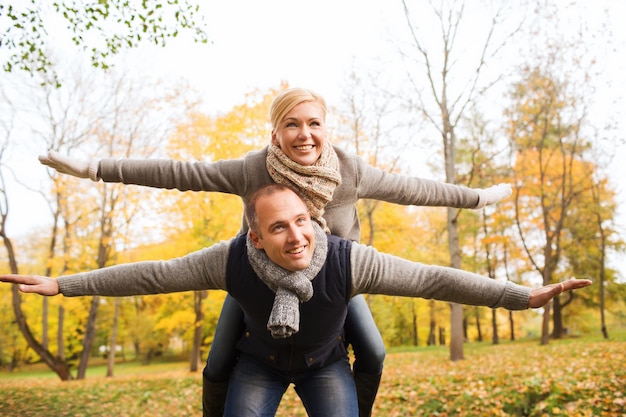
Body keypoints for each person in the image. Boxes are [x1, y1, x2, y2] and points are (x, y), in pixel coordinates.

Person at [39, 87, 513, 417]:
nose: (304, 134)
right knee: (220, 360)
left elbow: (418, 190)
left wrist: (478, 198)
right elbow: (181, 172)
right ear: (275, 134)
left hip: (334, 281)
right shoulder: (252, 170)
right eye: (292, 125)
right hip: (259, 281)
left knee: (373, 349)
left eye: (314, 124)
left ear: (325, 130)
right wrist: (95, 169)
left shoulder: (350, 171)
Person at [1, 184, 591, 417]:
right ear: (254, 235)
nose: (298, 235)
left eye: (303, 221)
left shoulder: (346, 259)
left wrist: (520, 297)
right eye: (279, 227)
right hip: (259, 364)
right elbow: (154, 274)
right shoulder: (228, 258)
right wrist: (65, 284)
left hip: (325, 366)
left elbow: (436, 279)